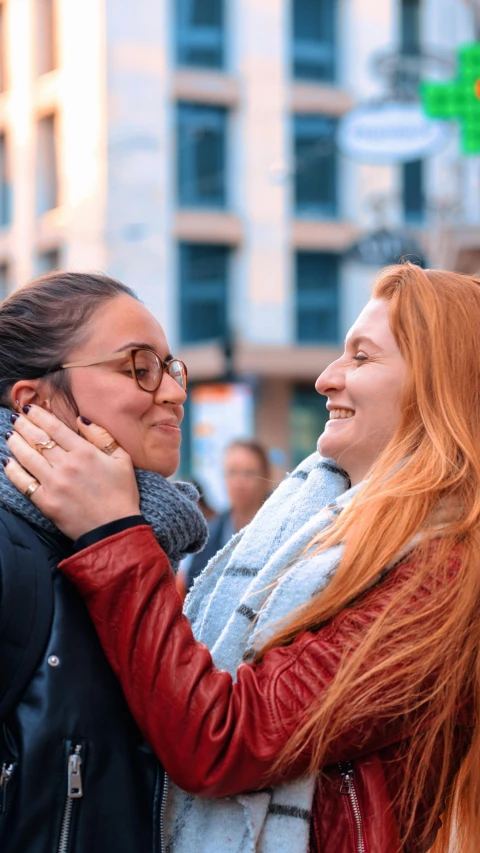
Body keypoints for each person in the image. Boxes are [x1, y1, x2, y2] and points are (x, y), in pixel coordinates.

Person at [4, 263, 480, 853]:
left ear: (443, 385)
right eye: (138, 368)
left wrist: (114, 536)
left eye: (361, 357)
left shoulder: (448, 573)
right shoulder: (319, 533)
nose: (326, 379)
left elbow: (224, 738)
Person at [0, 271, 208, 853]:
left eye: (170, 367)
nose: (172, 391)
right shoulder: (9, 546)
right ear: (34, 402)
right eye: (137, 366)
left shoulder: (146, 545)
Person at [186, 438, 272, 590]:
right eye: (232, 473)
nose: (239, 482)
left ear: (266, 478)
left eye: (249, 473)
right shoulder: (209, 534)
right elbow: (192, 586)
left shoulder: (281, 529)